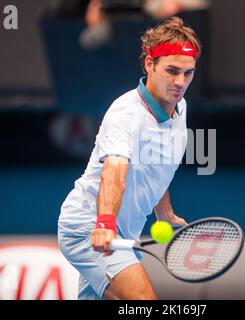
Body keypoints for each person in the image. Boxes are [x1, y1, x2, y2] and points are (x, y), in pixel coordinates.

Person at [58, 16, 201, 300]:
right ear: (150, 64)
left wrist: (165, 214)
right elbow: (115, 171)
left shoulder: (179, 108)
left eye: (188, 73)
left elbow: (156, 169)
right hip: (88, 227)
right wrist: (105, 224)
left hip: (124, 235)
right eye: (172, 71)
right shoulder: (126, 115)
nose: (180, 82)